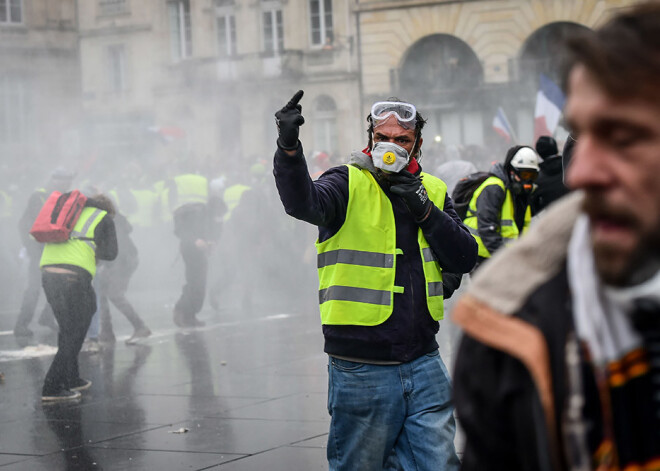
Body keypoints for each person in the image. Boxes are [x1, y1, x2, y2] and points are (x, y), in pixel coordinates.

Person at [452, 3, 660, 469]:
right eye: (581, 135)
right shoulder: (506, 337)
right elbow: (487, 231)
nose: (581, 171)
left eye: (623, 137)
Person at [273, 91, 477, 470]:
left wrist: (425, 210)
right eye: (384, 139)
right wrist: (288, 149)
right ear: (370, 139)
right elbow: (302, 202)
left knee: (439, 463)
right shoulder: (346, 181)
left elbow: (464, 254)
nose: (392, 148)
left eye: (402, 140)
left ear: (416, 143)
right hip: (361, 364)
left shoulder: (431, 189)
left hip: (424, 358)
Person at [40, 194, 117, 402]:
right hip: (73, 277)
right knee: (75, 330)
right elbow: (111, 253)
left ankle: (70, 377)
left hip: (48, 274)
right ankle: (52, 386)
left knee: (68, 327)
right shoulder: (104, 217)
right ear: (108, 208)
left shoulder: (69, 215)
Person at [14, 168, 74, 337]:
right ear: (54, 180)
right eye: (63, 179)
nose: (67, 183)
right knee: (34, 289)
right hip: (40, 250)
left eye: (69, 180)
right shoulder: (39, 197)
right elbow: (24, 224)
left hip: (56, 250)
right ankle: (21, 325)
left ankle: (47, 317)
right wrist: (31, 248)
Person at [463, 145, 539, 270]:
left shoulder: (520, 194)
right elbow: (487, 227)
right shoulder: (494, 187)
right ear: (512, 171)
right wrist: (504, 258)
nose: (528, 181)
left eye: (532, 176)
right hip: (484, 257)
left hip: (505, 256)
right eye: (525, 175)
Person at [168, 168, 223, 327]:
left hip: (200, 248)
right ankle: (181, 310)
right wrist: (194, 241)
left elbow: (210, 227)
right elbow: (180, 230)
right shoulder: (183, 211)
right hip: (190, 248)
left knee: (198, 282)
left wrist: (211, 241)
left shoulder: (203, 209)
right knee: (195, 282)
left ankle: (190, 314)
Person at [97, 211, 151, 344]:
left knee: (115, 295)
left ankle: (140, 327)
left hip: (122, 260)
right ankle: (107, 332)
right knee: (100, 290)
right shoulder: (110, 218)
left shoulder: (105, 221)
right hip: (123, 259)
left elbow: (116, 245)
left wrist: (107, 265)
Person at [530, 135, 570, 215]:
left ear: (539, 152)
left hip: (555, 221)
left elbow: (533, 209)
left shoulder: (538, 179)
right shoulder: (571, 167)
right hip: (578, 218)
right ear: (555, 148)